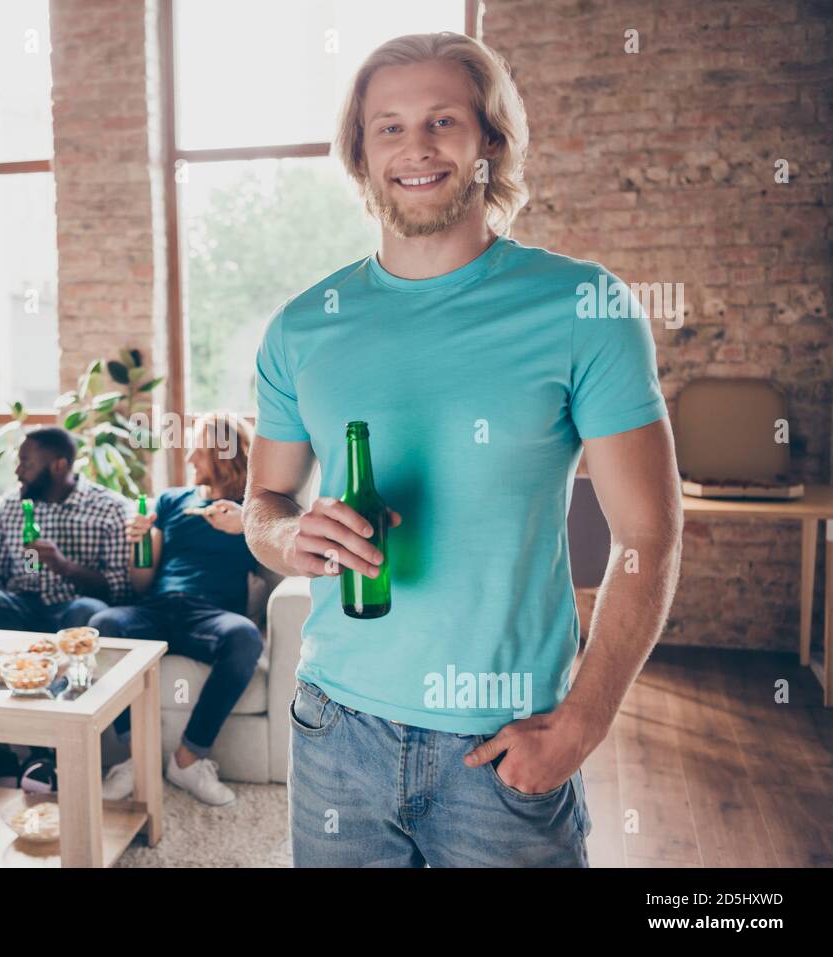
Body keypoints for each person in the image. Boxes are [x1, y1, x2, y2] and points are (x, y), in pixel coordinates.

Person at [243, 33, 682, 867]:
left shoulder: (584, 306)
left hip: (502, 746)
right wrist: (284, 538)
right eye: (389, 127)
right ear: (361, 155)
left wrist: (583, 721)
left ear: (490, 140)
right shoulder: (304, 325)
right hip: (335, 731)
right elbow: (265, 503)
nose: (417, 147)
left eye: (443, 121)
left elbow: (650, 536)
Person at [0, 426, 132, 783]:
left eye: (25, 463)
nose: (17, 471)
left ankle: (48, 748)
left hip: (69, 611)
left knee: (87, 612)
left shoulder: (109, 508)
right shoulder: (11, 505)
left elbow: (119, 590)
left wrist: (63, 566)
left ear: (58, 466)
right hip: (19, 608)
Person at [94, 413, 263, 807]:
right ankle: (138, 758)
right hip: (158, 608)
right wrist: (141, 540)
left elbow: (275, 559)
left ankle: (187, 761)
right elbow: (141, 582)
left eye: (197, 450)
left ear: (225, 454)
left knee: (244, 638)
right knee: (102, 625)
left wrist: (247, 525)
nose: (189, 460)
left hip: (211, 616)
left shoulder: (251, 510)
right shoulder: (171, 501)